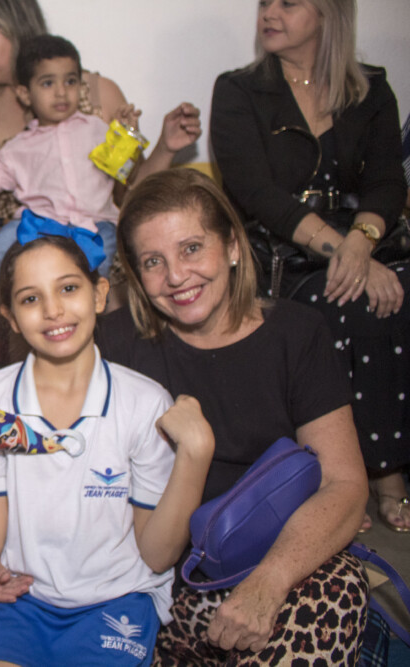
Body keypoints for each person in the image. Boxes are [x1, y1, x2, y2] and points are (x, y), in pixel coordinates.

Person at [0, 222, 214, 666]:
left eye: (68, 288)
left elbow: (158, 553)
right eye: (30, 299)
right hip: (16, 603)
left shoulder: (144, 403)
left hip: (115, 602)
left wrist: (196, 455)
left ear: (99, 295)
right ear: (10, 316)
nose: (53, 310)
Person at [93, 168, 368, 664]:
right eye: (153, 261)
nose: (176, 276)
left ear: (234, 248)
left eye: (192, 248)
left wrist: (269, 581)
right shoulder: (113, 344)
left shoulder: (297, 334)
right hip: (155, 578)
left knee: (337, 587)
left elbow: (344, 484)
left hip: (274, 561)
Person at [209, 0, 409, 532]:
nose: (269, 13)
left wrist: (362, 245)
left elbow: (388, 182)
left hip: (364, 244)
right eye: (265, 3)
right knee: (342, 301)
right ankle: (358, 476)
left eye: (288, 2)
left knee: (396, 292)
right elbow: (256, 193)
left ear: (327, 13)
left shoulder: (371, 89)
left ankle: (385, 463)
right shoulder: (239, 90)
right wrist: (344, 252)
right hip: (281, 256)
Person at [0, 0, 201, 343]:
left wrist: (153, 145)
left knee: (101, 280)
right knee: (1, 273)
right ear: (27, 93)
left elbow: (131, 190)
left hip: (92, 229)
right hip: (20, 247)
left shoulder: (93, 96)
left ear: (13, 26)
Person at [0, 35, 137, 303]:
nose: (61, 92)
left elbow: (122, 172)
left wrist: (127, 134)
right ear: (25, 94)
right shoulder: (18, 147)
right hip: (36, 223)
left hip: (95, 225)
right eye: (47, 83)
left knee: (91, 280)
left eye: (70, 81)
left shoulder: (98, 129)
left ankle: (88, 326)